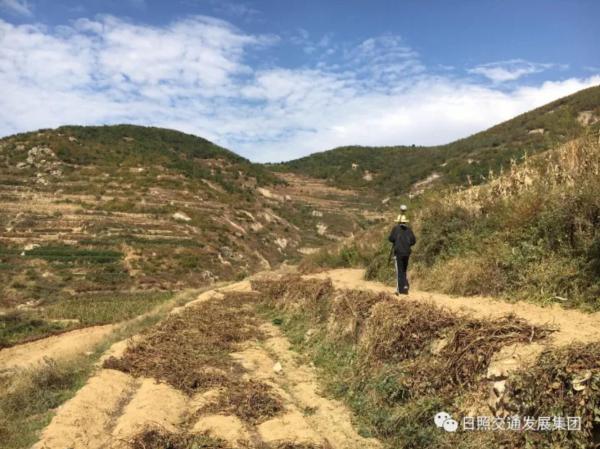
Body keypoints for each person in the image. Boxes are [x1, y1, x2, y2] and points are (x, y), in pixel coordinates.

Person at [388, 207, 416, 295]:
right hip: (407, 253)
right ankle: (404, 287)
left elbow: (390, 239)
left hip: (398, 253)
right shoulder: (409, 230)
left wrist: (396, 241)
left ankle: (399, 289)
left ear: (398, 222)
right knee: (404, 269)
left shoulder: (396, 229)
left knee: (399, 271)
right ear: (405, 222)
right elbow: (413, 241)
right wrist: (407, 245)